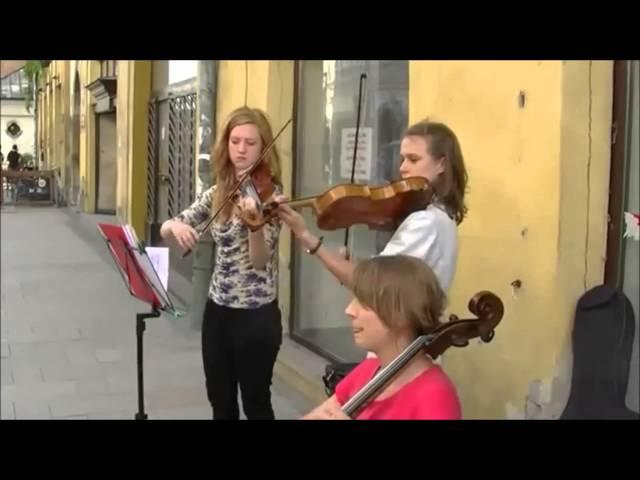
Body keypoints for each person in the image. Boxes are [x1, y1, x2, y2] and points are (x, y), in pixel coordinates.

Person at [160, 106, 284, 420]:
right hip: (217, 311)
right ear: (225, 145)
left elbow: (259, 262)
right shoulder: (219, 192)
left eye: (251, 143)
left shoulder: (271, 195)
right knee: (220, 400)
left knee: (256, 403)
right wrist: (175, 226)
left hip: (256, 316)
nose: (241, 149)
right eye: (235, 141)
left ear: (264, 147)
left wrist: (255, 225)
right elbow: (169, 225)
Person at [276, 119, 468, 296]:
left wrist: (307, 238)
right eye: (403, 159)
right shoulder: (441, 214)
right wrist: (353, 263)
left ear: (441, 164)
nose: (403, 168)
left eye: (414, 159)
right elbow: (397, 277)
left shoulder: (426, 221)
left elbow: (373, 283)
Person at [302, 255, 462, 420]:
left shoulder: (435, 396)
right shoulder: (369, 370)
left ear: (401, 314)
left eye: (364, 302)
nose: (349, 310)